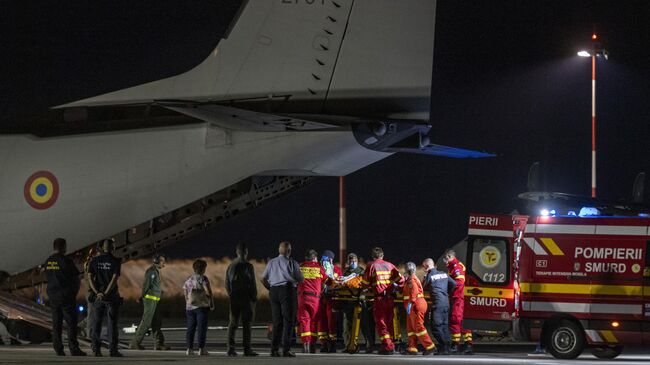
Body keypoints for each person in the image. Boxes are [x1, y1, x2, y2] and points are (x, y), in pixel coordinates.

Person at [44, 238, 86, 356]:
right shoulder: (66, 261)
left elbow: (47, 277)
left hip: (53, 295)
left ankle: (58, 348)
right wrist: (74, 293)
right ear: (63, 247)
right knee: (71, 323)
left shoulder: (48, 261)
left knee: (56, 323)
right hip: (66, 296)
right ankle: (73, 348)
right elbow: (76, 278)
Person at [261, 241, 304, 357]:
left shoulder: (271, 262)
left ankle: (274, 349)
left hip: (274, 291)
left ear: (279, 250)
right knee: (288, 321)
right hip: (287, 291)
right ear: (289, 251)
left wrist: (270, 288)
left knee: (277, 321)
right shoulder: (292, 262)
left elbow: (263, 279)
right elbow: (300, 279)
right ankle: (286, 349)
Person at [361, 247, 403, 355]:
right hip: (390, 298)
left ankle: (388, 346)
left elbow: (365, 282)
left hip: (379, 298)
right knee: (389, 322)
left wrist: (369, 286)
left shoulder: (371, 265)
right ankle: (390, 344)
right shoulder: (390, 265)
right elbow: (401, 280)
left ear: (373, 256)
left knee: (381, 322)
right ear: (382, 255)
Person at [87, 238, 123, 357]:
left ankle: (96, 349)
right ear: (113, 248)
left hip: (98, 298)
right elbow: (114, 279)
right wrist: (106, 293)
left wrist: (97, 292)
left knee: (96, 323)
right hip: (111, 297)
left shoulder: (94, 261)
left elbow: (89, 277)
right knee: (112, 324)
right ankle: (113, 350)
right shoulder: (116, 261)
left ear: (102, 248)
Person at [129, 253, 170, 351]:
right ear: (156, 261)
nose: (163, 263)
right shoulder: (151, 272)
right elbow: (146, 285)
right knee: (146, 322)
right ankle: (135, 343)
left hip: (155, 300)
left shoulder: (156, 271)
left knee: (156, 322)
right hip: (150, 300)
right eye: (162, 261)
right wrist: (142, 296)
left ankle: (159, 344)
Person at [225, 243, 259, 357]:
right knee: (247, 324)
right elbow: (252, 283)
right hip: (246, 297)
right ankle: (247, 349)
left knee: (233, 323)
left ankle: (230, 348)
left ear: (237, 252)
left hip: (234, 297)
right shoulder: (248, 266)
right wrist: (254, 297)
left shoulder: (230, 266)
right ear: (246, 252)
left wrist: (231, 294)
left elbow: (226, 283)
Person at [297, 249, 332, 354]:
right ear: (315, 258)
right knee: (314, 321)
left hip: (302, 298)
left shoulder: (300, 267)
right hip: (315, 299)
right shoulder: (319, 268)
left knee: (304, 321)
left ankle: (305, 345)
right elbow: (328, 281)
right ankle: (312, 345)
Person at [341, 252, 375, 353]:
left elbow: (365, 285)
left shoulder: (361, 271)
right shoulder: (346, 272)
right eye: (351, 261)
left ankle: (369, 345)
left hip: (360, 301)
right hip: (349, 302)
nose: (352, 262)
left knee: (364, 325)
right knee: (347, 325)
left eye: (354, 261)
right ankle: (349, 346)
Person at [422, 257, 455, 355]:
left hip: (437, 304)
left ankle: (443, 347)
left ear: (427, 266)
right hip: (446, 303)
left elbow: (422, 287)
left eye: (424, 267)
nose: (424, 269)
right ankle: (447, 347)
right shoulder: (444, 274)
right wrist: (447, 292)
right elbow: (454, 283)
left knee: (436, 326)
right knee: (444, 326)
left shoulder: (430, 275)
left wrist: (424, 277)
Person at [401, 262, 435, 355]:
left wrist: (410, 303)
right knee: (411, 328)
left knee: (418, 327)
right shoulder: (410, 279)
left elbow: (414, 292)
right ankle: (412, 348)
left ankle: (430, 346)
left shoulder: (411, 280)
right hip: (414, 305)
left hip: (415, 305)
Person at [443, 249, 473, 355]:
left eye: (446, 258)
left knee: (456, 319)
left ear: (450, 256)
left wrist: (449, 288)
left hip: (458, 297)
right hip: (459, 297)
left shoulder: (456, 266)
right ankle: (468, 344)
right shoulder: (452, 266)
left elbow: (459, 282)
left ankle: (455, 344)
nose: (445, 261)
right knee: (461, 320)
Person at [183, 259, 214, 356]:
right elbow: (208, 292)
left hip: (190, 307)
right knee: (201, 328)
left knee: (190, 328)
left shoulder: (188, 279)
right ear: (202, 268)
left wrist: (188, 303)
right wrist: (211, 303)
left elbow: (185, 293)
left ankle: (189, 349)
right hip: (201, 307)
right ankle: (201, 348)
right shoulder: (203, 279)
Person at [316, 249, 342, 353]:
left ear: (331, 260)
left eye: (328, 259)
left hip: (332, 299)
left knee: (332, 321)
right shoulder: (319, 269)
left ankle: (332, 343)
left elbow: (340, 281)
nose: (325, 262)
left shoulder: (337, 270)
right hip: (321, 299)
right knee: (321, 322)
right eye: (324, 259)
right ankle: (323, 344)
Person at [79, 247, 101, 340]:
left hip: (91, 290)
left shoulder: (90, 263)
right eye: (98, 254)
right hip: (91, 291)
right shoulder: (91, 264)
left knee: (93, 312)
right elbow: (91, 279)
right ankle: (89, 335)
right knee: (92, 313)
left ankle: (80, 325)